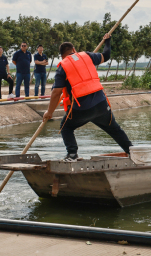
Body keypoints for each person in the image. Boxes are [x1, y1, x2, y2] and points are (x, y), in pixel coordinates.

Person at [41, 33, 132, 161]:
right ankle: (132, 152)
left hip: (81, 109)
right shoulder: (87, 56)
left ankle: (72, 154)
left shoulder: (62, 66)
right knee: (115, 129)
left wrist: (49, 112)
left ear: (61, 56)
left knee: (66, 127)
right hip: (101, 105)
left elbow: (56, 92)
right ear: (74, 50)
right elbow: (106, 55)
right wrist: (107, 41)